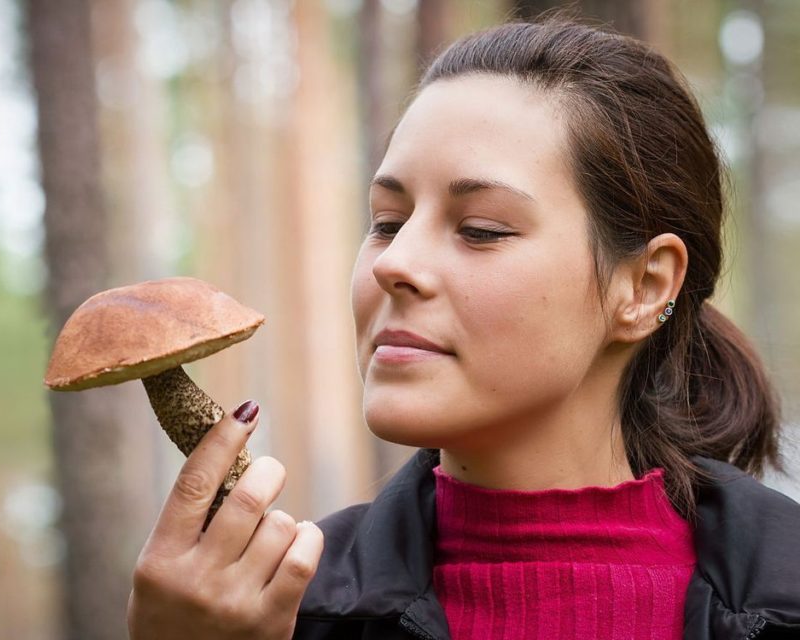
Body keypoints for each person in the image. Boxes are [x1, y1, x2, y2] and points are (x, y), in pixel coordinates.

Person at [126, 17, 800, 640]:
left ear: (644, 286)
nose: (396, 263)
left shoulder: (783, 592)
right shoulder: (279, 614)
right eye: (386, 223)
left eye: (481, 230)